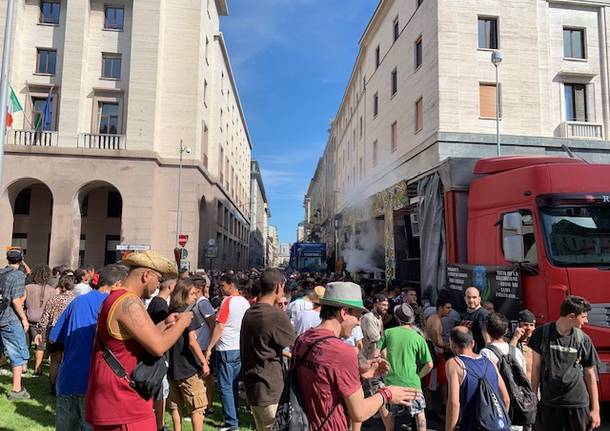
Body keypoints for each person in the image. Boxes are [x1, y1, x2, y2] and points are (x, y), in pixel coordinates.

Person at [84, 251, 194, 430]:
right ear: (146, 275)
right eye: (158, 279)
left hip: (114, 396)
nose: (159, 285)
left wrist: (166, 323)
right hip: (124, 400)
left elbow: (136, 338)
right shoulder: (130, 303)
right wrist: (183, 322)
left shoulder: (115, 297)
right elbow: (158, 346)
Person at [293, 281, 420, 430]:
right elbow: (359, 413)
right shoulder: (342, 351)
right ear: (344, 312)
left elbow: (323, 378)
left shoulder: (304, 339)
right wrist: (388, 393)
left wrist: (361, 371)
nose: (359, 323)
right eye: (358, 316)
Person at [50, 264, 128, 431]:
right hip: (96, 381)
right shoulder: (113, 305)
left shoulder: (78, 301)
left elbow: (55, 337)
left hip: (68, 378)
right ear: (118, 284)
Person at [529, 296, 600, 431]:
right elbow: (536, 368)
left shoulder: (583, 340)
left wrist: (595, 410)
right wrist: (533, 397)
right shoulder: (541, 334)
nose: (586, 321)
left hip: (577, 403)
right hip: (549, 404)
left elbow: (590, 374)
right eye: (583, 317)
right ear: (571, 317)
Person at [240, 269, 296, 431]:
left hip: (254, 389)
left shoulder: (250, 312)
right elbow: (298, 345)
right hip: (270, 389)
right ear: (279, 287)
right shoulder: (275, 315)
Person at [205, 273, 250, 431]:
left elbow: (220, 326)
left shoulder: (227, 302)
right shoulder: (245, 302)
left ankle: (231, 423)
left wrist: (210, 347)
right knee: (233, 386)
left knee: (225, 387)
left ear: (231, 285)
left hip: (226, 349)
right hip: (238, 348)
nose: (220, 289)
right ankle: (233, 418)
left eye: (222, 285)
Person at [379, 303, 433, 431]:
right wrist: (418, 376)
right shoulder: (418, 337)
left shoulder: (388, 332)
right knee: (420, 415)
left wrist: (386, 365)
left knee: (391, 415)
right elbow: (429, 364)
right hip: (412, 383)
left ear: (397, 319)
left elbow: (377, 353)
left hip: (392, 382)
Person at [445, 326, 510, 431]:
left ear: (452, 344)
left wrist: (449, 428)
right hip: (498, 426)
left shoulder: (454, 364)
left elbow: (454, 404)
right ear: (473, 343)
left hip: (472, 425)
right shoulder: (490, 362)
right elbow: (506, 399)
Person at [167, 278, 209, 431]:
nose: (195, 297)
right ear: (183, 294)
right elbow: (192, 341)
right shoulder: (188, 314)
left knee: (175, 405)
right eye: (192, 293)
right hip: (188, 366)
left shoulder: (170, 312)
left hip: (172, 366)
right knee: (197, 407)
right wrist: (204, 362)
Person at [35, 272, 76, 395]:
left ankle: (53, 386)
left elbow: (44, 318)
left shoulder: (53, 299)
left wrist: (39, 332)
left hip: (54, 331)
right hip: (70, 332)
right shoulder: (76, 301)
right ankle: (66, 386)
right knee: (68, 360)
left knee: (55, 361)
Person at [146, 276, 177, 431]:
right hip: (159, 354)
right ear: (170, 287)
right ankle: (160, 424)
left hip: (156, 353)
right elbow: (160, 331)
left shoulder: (157, 302)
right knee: (161, 391)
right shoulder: (160, 304)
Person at [0, 248, 30, 400]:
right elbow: (15, 300)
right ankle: (17, 390)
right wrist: (24, 319)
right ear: (21, 259)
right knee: (16, 354)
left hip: (1, 316)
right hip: (10, 319)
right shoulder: (18, 275)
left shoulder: (1, 272)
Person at [424, 296, 453, 419]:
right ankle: (432, 410)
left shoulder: (434, 318)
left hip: (436, 354)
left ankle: (440, 407)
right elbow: (437, 341)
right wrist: (449, 347)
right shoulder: (435, 320)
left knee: (441, 382)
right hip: (436, 355)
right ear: (439, 308)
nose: (449, 310)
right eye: (447, 308)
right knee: (434, 383)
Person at [24, 263, 54, 375]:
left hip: (28, 319)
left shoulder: (27, 288)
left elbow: (22, 303)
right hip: (43, 323)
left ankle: (24, 366)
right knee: (40, 346)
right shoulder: (52, 290)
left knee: (26, 344)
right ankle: (38, 368)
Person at [460, 287, 490, 353]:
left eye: (474, 297)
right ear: (465, 299)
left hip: (479, 356)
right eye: (468, 297)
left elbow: (488, 341)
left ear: (479, 299)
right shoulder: (467, 314)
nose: (471, 300)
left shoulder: (483, 314)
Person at [509, 309, 535, 382]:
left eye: (531, 325)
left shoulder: (536, 342)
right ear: (518, 325)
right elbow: (508, 357)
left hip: (533, 386)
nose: (529, 328)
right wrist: (515, 337)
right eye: (525, 325)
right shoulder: (510, 340)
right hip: (518, 386)